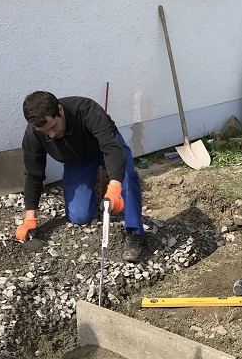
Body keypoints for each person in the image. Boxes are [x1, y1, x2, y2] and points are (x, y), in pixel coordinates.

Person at [16, 91, 146, 262]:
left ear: (60, 110)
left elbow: (111, 148)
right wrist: (29, 219)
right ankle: (98, 191)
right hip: (77, 161)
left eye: (53, 127)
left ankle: (135, 232)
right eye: (45, 132)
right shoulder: (34, 134)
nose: (51, 135)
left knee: (126, 177)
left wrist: (115, 189)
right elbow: (34, 174)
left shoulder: (86, 110)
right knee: (79, 216)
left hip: (104, 147)